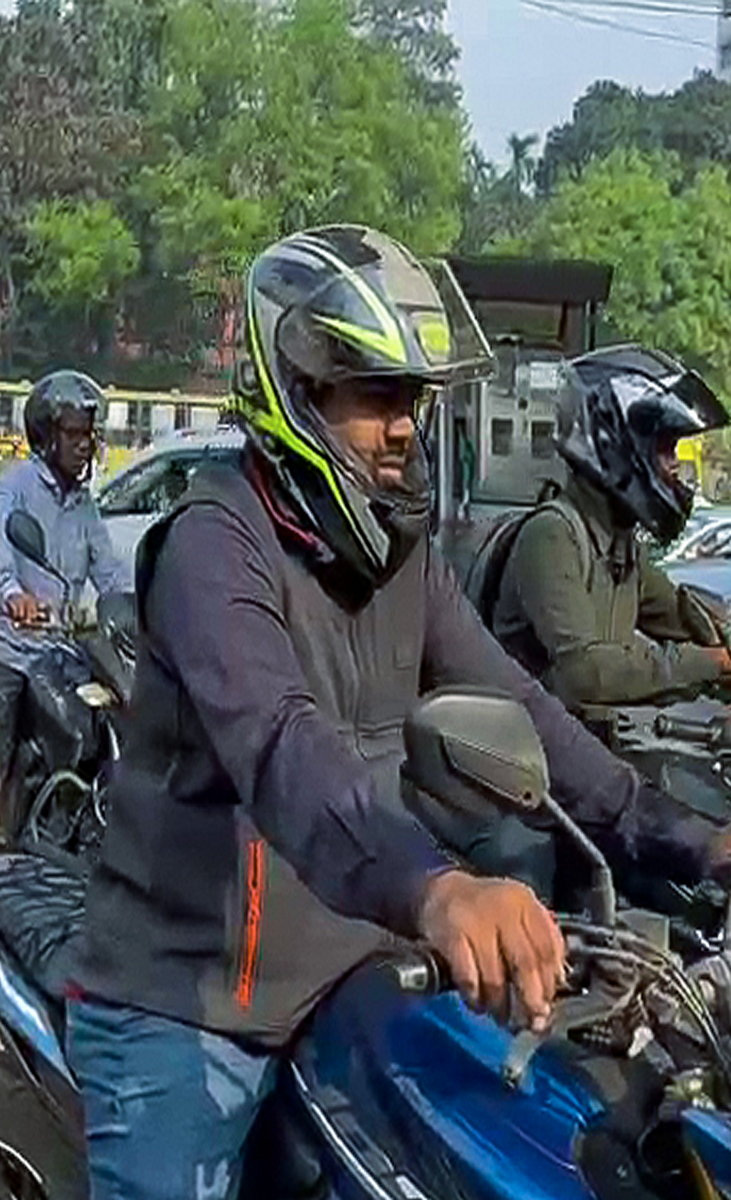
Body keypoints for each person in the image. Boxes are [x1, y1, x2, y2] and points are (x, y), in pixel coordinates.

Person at [67, 226, 731, 1200]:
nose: (403, 428)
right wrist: (438, 890)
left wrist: (694, 844)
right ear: (295, 388)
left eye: (411, 400)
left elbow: (523, 707)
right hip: (193, 996)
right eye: (375, 397)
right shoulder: (214, 546)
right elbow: (284, 748)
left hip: (357, 959)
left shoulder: (398, 555)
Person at [490, 345, 731, 710]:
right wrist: (711, 664)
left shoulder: (621, 544)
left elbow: (681, 613)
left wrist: (725, 638)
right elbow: (585, 673)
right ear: (615, 442)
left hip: (584, 746)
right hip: (527, 750)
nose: (675, 468)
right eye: (666, 450)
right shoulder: (553, 535)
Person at [0, 370, 133, 850]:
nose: (85, 445)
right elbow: (2, 550)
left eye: (89, 434)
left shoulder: (84, 506)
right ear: (45, 436)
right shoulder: (15, 486)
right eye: (74, 434)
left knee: (98, 740)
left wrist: (139, 613)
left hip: (60, 653)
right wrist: (14, 595)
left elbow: (110, 573)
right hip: (8, 650)